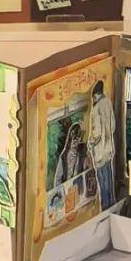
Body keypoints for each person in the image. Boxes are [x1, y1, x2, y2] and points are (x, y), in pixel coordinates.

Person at [88, 80, 116, 209]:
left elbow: (97, 133)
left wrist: (90, 142)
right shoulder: (108, 102)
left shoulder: (96, 109)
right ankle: (112, 202)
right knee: (109, 178)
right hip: (109, 147)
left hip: (99, 150)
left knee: (102, 180)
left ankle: (105, 206)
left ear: (95, 95)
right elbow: (113, 125)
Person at [54, 121, 86, 186]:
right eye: (73, 138)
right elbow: (57, 180)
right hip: (67, 187)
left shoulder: (83, 151)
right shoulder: (64, 156)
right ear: (70, 138)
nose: (75, 141)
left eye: (78, 138)